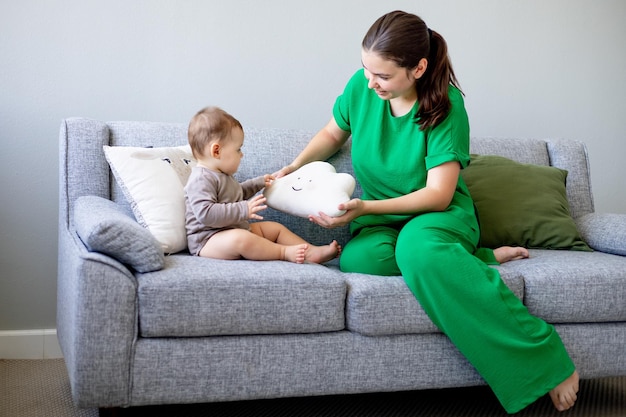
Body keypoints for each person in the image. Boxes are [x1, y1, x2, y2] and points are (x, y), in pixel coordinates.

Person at [275, 10, 578, 414]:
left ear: (418, 68)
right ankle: (475, 260)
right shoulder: (362, 87)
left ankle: (546, 359)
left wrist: (366, 206)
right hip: (382, 220)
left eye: (382, 76)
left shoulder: (446, 105)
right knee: (360, 258)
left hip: (439, 214)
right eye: (366, 69)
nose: (370, 82)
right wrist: (294, 166)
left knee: (418, 249)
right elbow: (334, 132)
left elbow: (438, 194)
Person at [184, 106, 341, 264]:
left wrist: (257, 183)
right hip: (208, 240)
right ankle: (284, 252)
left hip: (233, 229)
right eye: (238, 149)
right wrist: (244, 209)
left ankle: (310, 251)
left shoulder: (224, 176)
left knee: (274, 228)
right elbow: (205, 213)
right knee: (241, 238)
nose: (242, 154)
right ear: (216, 151)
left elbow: (237, 194)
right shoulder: (201, 178)